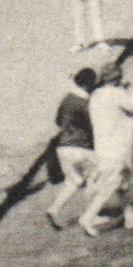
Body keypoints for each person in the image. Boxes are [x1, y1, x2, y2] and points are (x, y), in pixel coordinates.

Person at [78, 64, 133, 236]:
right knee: (113, 183)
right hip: (118, 145)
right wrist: (130, 89)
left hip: (103, 145)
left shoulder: (96, 95)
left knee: (122, 183)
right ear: (117, 78)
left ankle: (130, 217)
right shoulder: (117, 94)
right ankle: (87, 218)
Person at [45, 67, 98, 230]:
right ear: (89, 84)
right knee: (98, 176)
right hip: (82, 147)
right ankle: (92, 215)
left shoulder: (67, 98)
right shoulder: (86, 103)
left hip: (63, 147)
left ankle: (54, 209)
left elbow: (58, 121)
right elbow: (94, 125)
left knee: (74, 181)